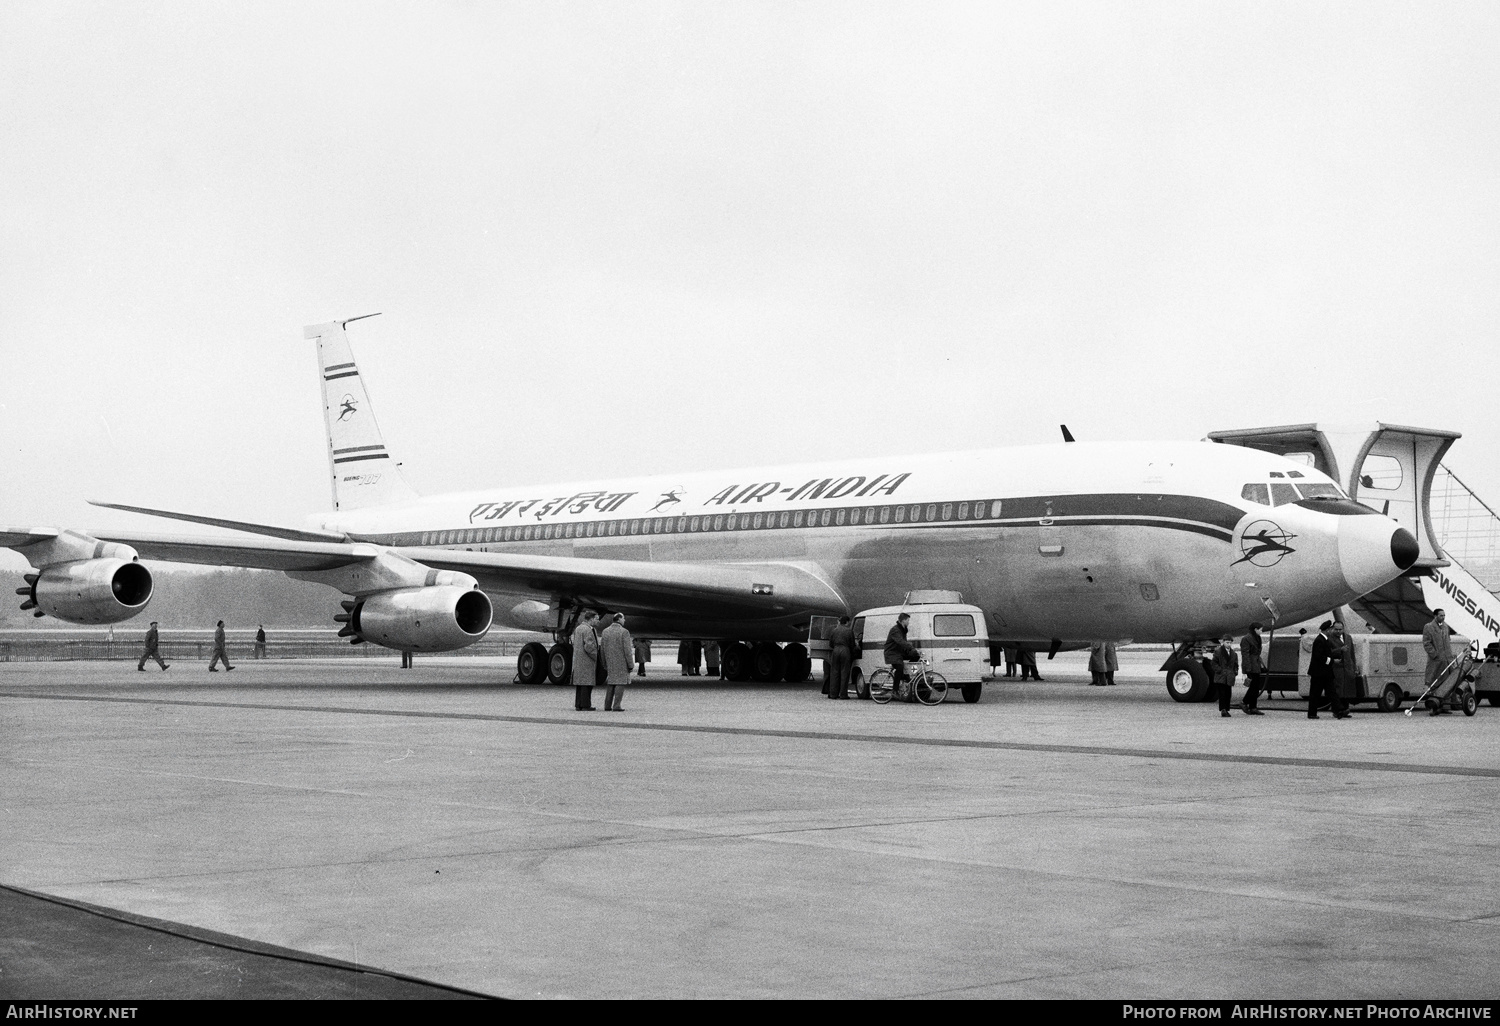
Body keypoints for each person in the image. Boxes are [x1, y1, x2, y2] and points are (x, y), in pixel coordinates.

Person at [1307, 620, 1348, 719]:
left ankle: (1339, 710)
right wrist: (1332, 661)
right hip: (1319, 673)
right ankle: (1312, 713)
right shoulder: (1319, 640)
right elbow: (1319, 656)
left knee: (1331, 692)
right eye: (1331, 629)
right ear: (1328, 630)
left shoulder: (1324, 640)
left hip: (1325, 672)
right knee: (1315, 693)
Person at [884, 613, 921, 701]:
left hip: (899, 653)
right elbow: (900, 642)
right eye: (908, 620)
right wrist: (912, 648)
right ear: (903, 620)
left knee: (915, 655)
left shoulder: (903, 629)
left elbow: (903, 644)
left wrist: (912, 651)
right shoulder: (895, 630)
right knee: (899, 667)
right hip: (892, 653)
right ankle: (895, 691)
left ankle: (905, 675)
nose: (909, 622)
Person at [1423, 609, 1454, 713]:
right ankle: (1434, 707)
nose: (1443, 617)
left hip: (1447, 660)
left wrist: (1450, 656)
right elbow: (1426, 643)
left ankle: (1445, 706)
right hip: (1436, 661)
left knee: (1447, 683)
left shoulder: (1445, 627)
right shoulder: (1428, 627)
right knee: (1434, 683)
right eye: (1441, 615)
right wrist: (1435, 655)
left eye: (1444, 615)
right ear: (1435, 616)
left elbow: (1448, 642)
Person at [601, 613, 634, 711]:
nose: (625, 620)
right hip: (621, 662)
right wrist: (630, 664)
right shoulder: (624, 632)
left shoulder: (605, 631)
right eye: (624, 618)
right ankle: (616, 705)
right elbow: (627, 650)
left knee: (611, 683)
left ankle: (607, 705)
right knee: (620, 683)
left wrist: (604, 662)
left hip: (610, 662)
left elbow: (602, 649)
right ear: (619, 619)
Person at [570, 611, 600, 711]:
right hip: (587, 660)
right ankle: (586, 705)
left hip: (578, 660)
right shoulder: (588, 630)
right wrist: (596, 656)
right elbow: (589, 646)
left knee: (580, 683)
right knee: (587, 684)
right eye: (596, 618)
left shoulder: (578, 628)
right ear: (590, 619)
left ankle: (578, 704)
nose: (598, 621)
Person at [827, 615, 857, 700]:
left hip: (835, 650)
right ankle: (843, 694)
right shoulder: (849, 631)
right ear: (847, 622)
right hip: (845, 650)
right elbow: (852, 645)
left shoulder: (834, 630)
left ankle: (833, 694)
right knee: (844, 673)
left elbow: (830, 644)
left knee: (834, 672)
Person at [1239, 623, 1266, 715]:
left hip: (1256, 664)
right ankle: (1244, 702)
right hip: (1251, 665)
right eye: (1260, 629)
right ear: (1255, 629)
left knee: (1256, 686)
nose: (1261, 631)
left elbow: (1258, 654)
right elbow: (1245, 655)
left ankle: (1253, 707)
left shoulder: (1257, 638)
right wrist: (1247, 668)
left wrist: (1262, 666)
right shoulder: (1246, 639)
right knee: (1253, 686)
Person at [1211, 634, 1239, 717]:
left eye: (1230, 643)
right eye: (1227, 642)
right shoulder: (1218, 652)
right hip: (1221, 676)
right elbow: (1213, 663)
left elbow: (1236, 664)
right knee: (1222, 694)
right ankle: (1223, 709)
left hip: (1229, 676)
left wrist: (1235, 673)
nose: (1229, 644)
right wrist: (1219, 670)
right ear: (1223, 642)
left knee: (1228, 693)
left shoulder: (1234, 654)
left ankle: (1226, 708)